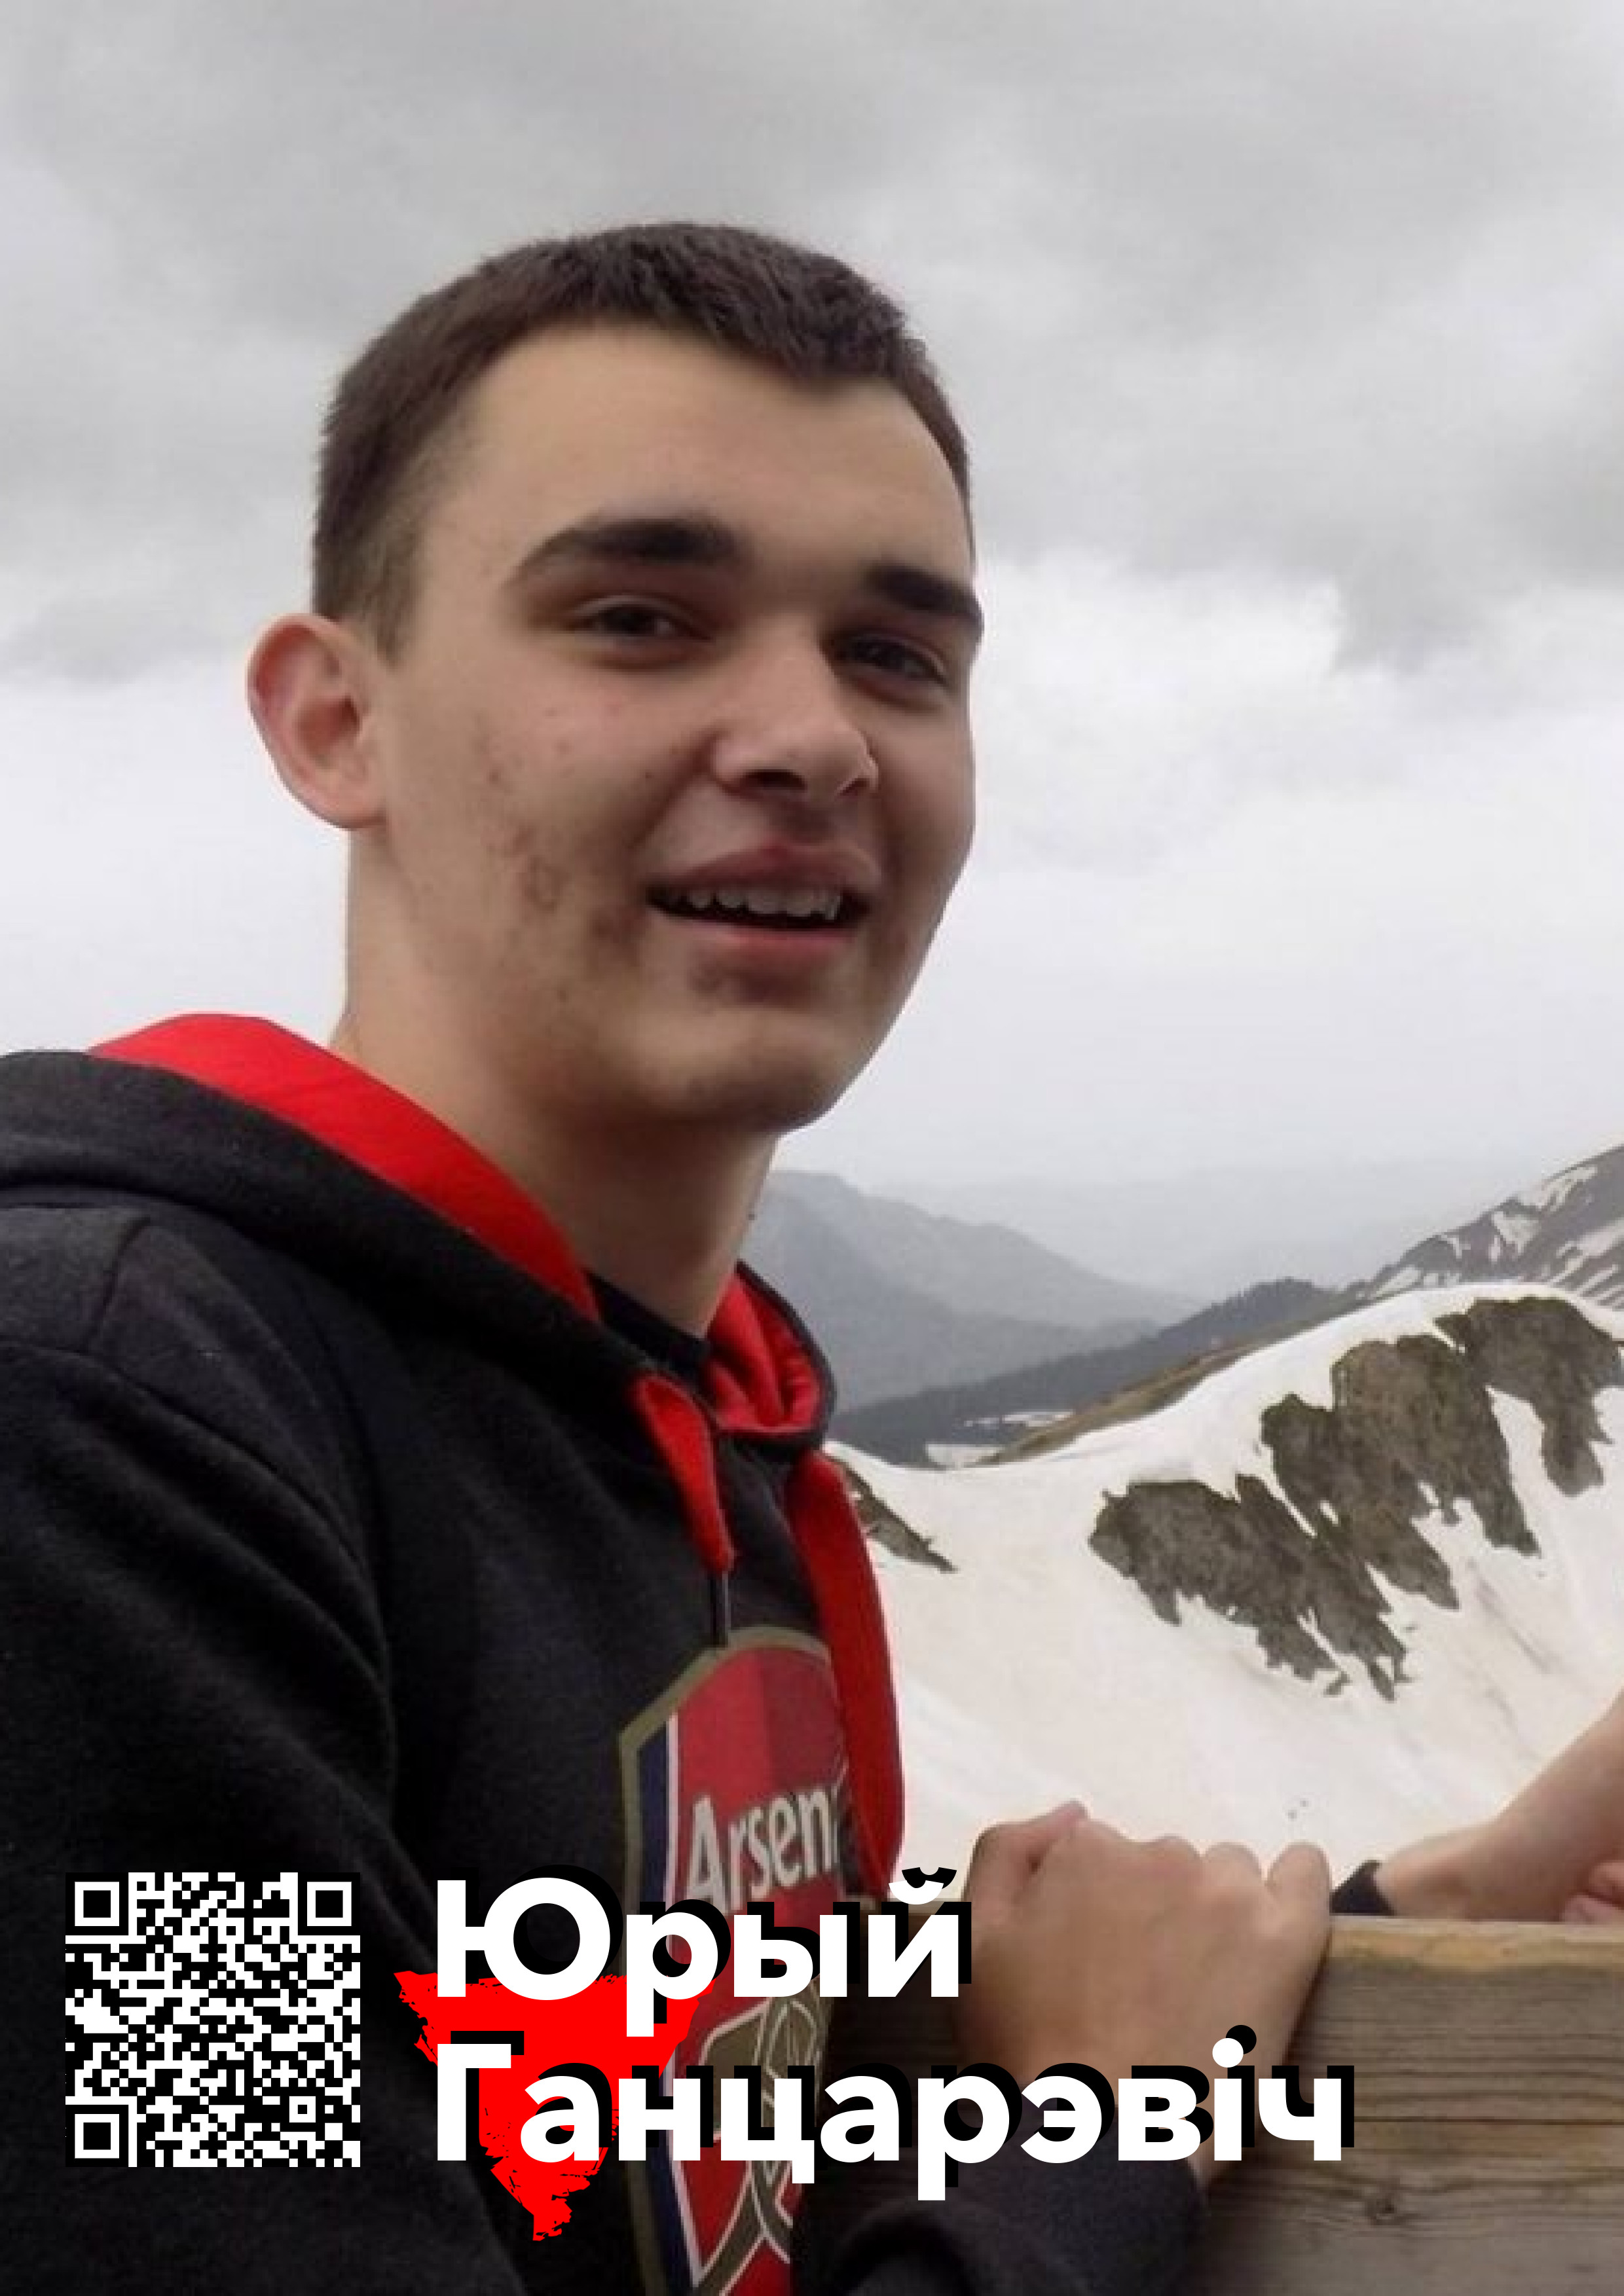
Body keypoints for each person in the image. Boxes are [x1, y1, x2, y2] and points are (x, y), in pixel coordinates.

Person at [2, 222, 1621, 2296]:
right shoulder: (103, 1442)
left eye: (896, 655)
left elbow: (638, 2087)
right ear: (337, 720)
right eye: (642, 618)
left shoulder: (687, 1418)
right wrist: (1112, 2125)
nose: (813, 735)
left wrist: (1427, 1915)